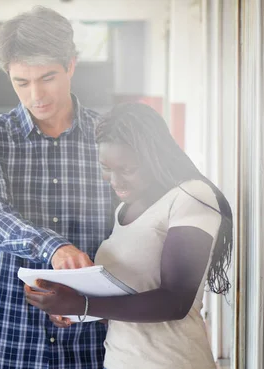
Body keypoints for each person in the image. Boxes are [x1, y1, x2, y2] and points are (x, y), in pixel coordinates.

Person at [25, 102, 233, 369]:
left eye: (127, 170)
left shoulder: (191, 196)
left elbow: (175, 301)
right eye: (107, 168)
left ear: (156, 158)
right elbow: (128, 303)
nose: (115, 181)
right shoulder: (125, 208)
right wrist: (72, 308)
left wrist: (84, 304)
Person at [0, 6, 114, 368]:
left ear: (71, 65)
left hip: (92, 330)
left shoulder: (109, 136)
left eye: (47, 77)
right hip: (9, 330)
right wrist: (54, 248)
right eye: (21, 82)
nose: (36, 95)